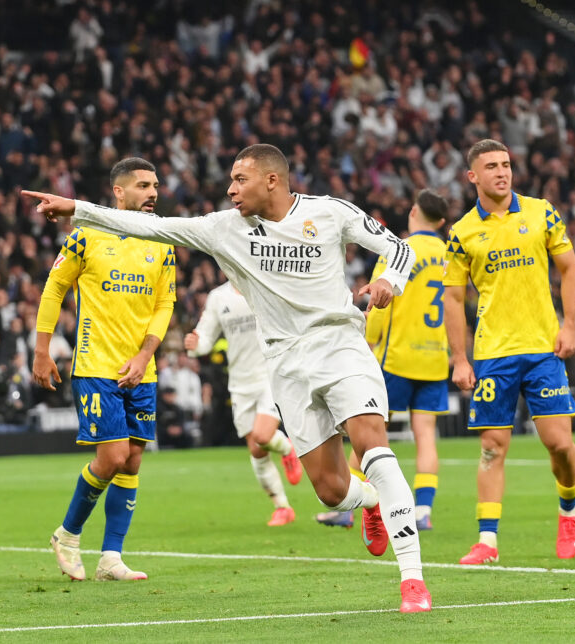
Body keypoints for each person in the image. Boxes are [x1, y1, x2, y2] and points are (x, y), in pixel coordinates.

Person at [24, 143, 432, 613]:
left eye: (240, 179)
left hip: (340, 346)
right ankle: (372, 504)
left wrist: (389, 282)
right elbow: (150, 226)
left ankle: (412, 581)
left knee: (374, 446)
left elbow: (398, 248)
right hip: (285, 365)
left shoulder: (330, 212)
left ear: (272, 181)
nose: (230, 189)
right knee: (331, 490)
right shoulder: (224, 229)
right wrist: (78, 208)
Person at [34, 157, 176, 582]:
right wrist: (42, 350)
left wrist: (145, 354)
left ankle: (111, 557)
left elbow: (164, 302)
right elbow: (54, 287)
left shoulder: (162, 240)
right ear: (119, 192)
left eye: (155, 185)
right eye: (143, 185)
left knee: (132, 461)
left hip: (141, 370)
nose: (153, 193)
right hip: (96, 364)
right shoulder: (87, 236)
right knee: (112, 456)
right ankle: (68, 533)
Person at [443, 138, 575, 565]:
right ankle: (487, 541)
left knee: (558, 444)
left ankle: (569, 509)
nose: (502, 172)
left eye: (506, 164)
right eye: (491, 166)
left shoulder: (541, 212)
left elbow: (570, 268)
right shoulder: (463, 231)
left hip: (543, 348)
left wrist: (571, 325)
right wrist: (460, 357)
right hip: (493, 354)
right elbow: (452, 297)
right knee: (492, 447)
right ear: (473, 176)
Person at [316, 189, 450, 533]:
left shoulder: (398, 250)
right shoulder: (449, 253)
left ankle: (347, 506)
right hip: (435, 357)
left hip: (397, 358)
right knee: (426, 437)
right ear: (443, 222)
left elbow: (377, 301)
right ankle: (423, 510)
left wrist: (366, 343)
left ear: (414, 212)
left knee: (368, 433)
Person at [184, 279, 304, 527]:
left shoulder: (263, 283)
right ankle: (282, 507)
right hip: (240, 382)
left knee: (262, 435)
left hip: (269, 375)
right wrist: (196, 346)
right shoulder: (218, 297)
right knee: (257, 450)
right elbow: (206, 335)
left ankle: (287, 449)